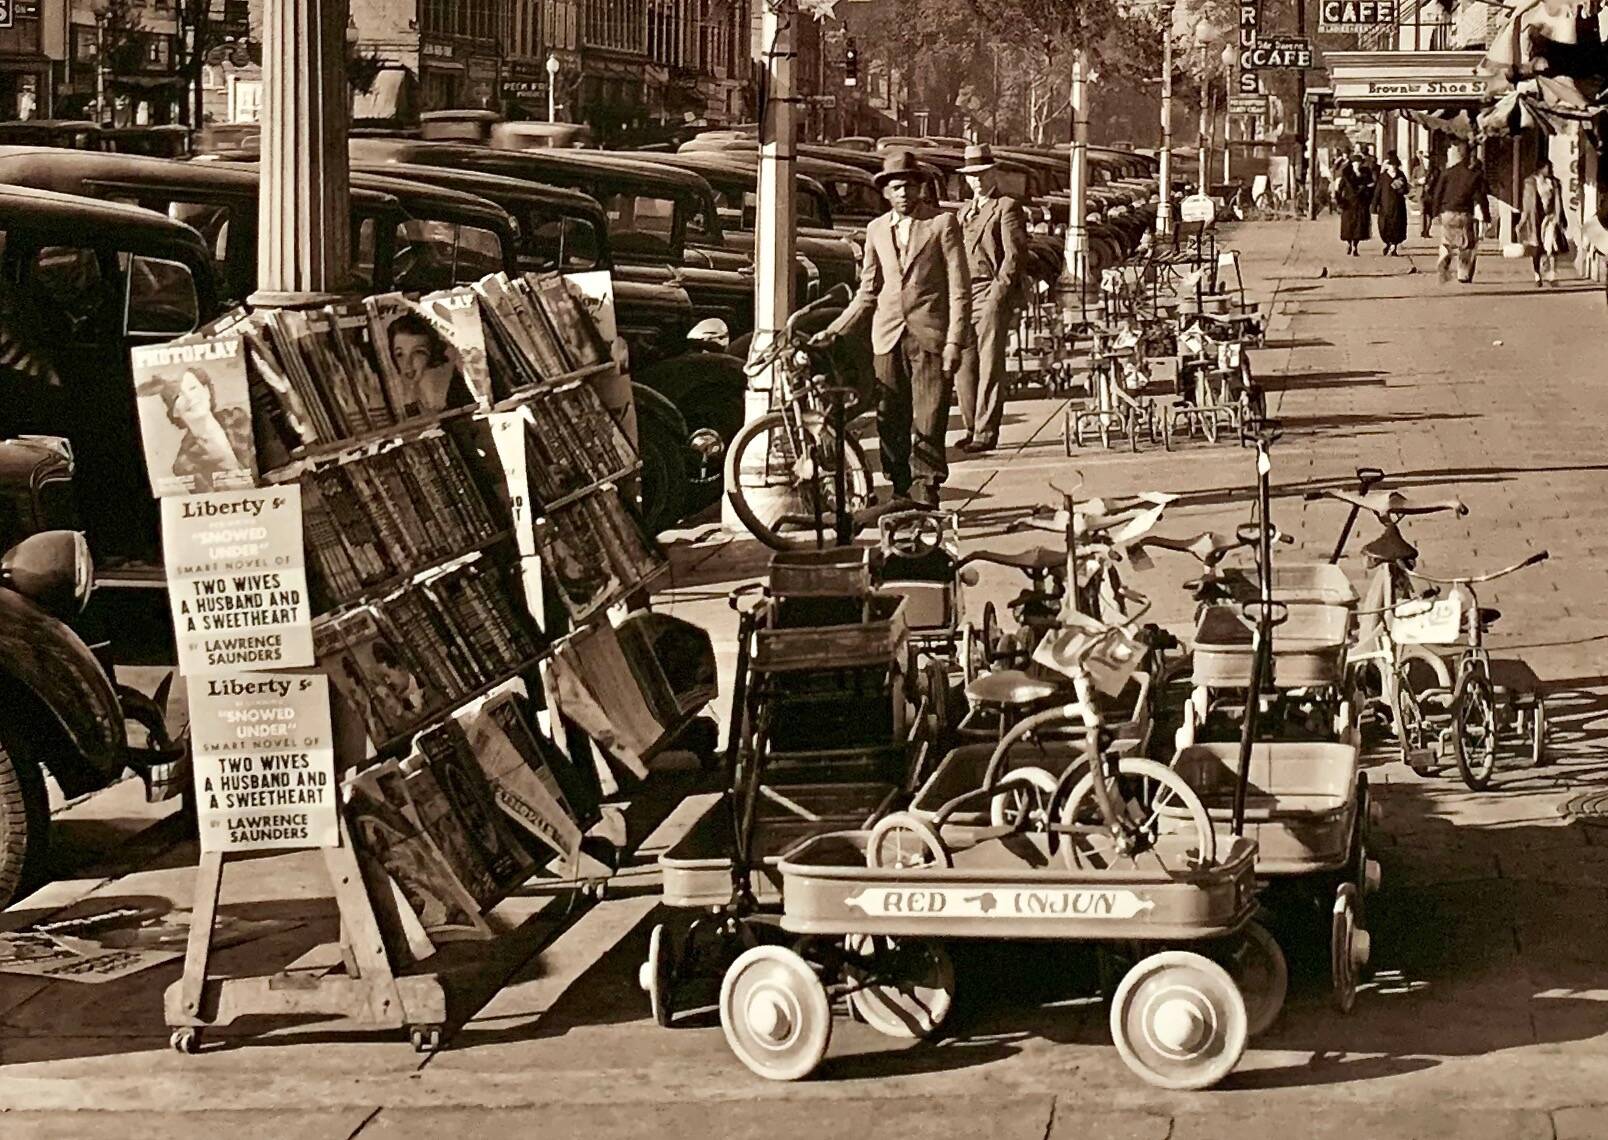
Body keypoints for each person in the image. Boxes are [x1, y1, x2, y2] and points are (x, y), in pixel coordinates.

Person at [813, 149, 970, 509]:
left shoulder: (941, 224)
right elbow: (867, 292)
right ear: (885, 193)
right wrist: (835, 330)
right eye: (896, 188)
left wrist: (953, 342)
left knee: (929, 417)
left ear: (919, 189)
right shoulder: (876, 230)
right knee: (889, 419)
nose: (903, 194)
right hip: (887, 337)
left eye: (909, 187)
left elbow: (959, 290)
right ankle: (899, 490)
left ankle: (926, 491)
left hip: (929, 336)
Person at [953, 143, 1027, 455]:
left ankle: (986, 431)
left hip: (989, 292)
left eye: (982, 174)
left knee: (988, 365)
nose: (978, 180)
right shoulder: (961, 213)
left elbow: (1014, 256)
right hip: (962, 296)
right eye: (972, 175)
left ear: (993, 172)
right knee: (963, 367)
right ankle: (971, 428)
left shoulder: (1007, 207)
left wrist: (999, 293)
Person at [147, 367, 254, 491]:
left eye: (192, 388)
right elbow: (214, 504)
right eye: (178, 396)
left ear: (206, 391)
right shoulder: (185, 465)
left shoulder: (237, 419)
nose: (189, 397)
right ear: (174, 411)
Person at [1428, 141, 1491, 284]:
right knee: (1466, 245)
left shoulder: (1447, 173)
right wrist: (1486, 216)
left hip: (1447, 213)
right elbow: (1481, 197)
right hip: (1464, 214)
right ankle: (1463, 274)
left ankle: (1445, 255)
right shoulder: (1473, 176)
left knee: (1446, 240)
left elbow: (1437, 194)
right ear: (1469, 156)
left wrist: (1435, 213)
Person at [386, 311, 470, 415]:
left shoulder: (456, 390)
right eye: (400, 354)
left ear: (432, 353)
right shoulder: (403, 403)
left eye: (418, 352)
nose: (408, 363)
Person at [1517, 157, 1570, 287]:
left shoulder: (1555, 183)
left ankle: (1551, 275)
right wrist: (1522, 221)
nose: (1550, 170)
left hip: (1550, 218)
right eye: (1547, 168)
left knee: (1551, 246)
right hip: (1536, 219)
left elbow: (1558, 201)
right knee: (1536, 249)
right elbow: (1527, 204)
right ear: (1540, 169)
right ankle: (1537, 274)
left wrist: (1560, 218)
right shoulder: (1530, 183)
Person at [1335, 152, 1375, 256]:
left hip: (1360, 205)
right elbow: (1338, 190)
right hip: (1348, 205)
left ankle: (1355, 247)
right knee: (1349, 227)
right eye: (1355, 163)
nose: (1357, 165)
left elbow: (1371, 188)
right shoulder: (1346, 175)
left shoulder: (1366, 174)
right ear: (1352, 164)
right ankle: (1349, 243)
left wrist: (1367, 195)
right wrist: (1340, 202)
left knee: (1359, 228)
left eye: (1358, 163)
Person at [1374, 152, 1410, 256]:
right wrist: (1374, 205)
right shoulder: (1383, 177)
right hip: (1385, 206)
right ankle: (1388, 243)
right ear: (1388, 166)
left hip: (1398, 207)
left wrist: (1401, 188)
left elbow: (1406, 190)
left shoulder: (1401, 175)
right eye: (1391, 165)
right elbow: (1378, 191)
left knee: (1397, 226)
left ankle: (1394, 246)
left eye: (1395, 165)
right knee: (1384, 227)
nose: (1393, 167)